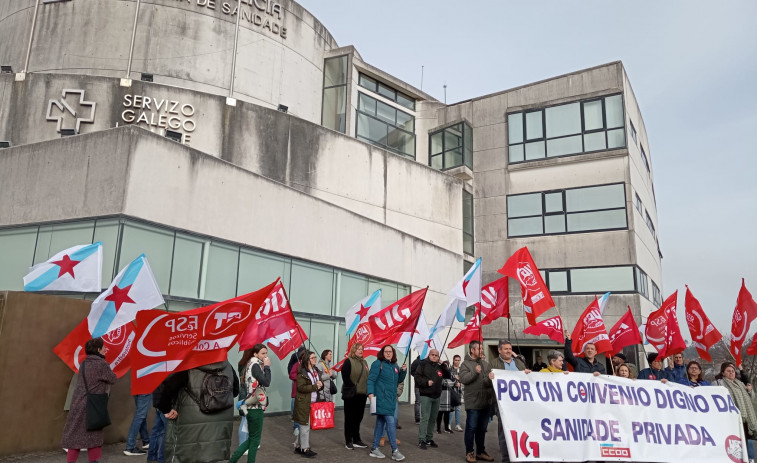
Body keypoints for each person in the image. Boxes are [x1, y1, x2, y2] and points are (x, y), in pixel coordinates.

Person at [158, 360, 239, 462]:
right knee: (211, 457)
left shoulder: (187, 366)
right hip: (219, 426)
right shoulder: (227, 366)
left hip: (189, 424)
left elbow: (168, 389)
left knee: (186, 457)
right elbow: (235, 391)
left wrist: (166, 409)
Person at [61, 338, 117, 463]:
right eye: (104, 347)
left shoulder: (84, 364)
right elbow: (113, 379)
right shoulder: (101, 364)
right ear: (98, 350)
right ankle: (94, 461)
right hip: (93, 405)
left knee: (75, 437)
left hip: (78, 403)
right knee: (94, 436)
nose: (106, 349)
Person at [229, 343, 272, 463]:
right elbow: (266, 382)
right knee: (255, 440)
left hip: (252, 405)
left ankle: (232, 461)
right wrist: (267, 367)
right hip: (255, 406)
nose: (265, 356)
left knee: (252, 438)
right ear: (255, 354)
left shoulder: (250, 364)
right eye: (263, 353)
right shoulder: (255, 365)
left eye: (266, 353)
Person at [367, 345, 407, 461]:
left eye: (390, 351)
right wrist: (370, 393)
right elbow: (371, 379)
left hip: (391, 399)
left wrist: (403, 372)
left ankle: (374, 448)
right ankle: (395, 451)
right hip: (381, 398)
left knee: (380, 422)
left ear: (393, 353)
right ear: (382, 353)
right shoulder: (377, 364)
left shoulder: (394, 365)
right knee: (390, 421)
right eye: (386, 351)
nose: (388, 353)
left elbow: (398, 380)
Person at [459, 340, 495, 463]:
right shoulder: (465, 364)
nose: (481, 351)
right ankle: (469, 452)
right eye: (479, 349)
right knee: (471, 428)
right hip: (473, 402)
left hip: (485, 402)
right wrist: (475, 372)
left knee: (482, 428)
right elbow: (464, 379)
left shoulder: (485, 364)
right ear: (472, 350)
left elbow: (486, 382)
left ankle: (480, 451)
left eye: (482, 349)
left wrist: (490, 379)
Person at [714, 362, 757, 461]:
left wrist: (750, 391)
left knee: (744, 441)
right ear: (723, 373)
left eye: (733, 371)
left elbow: (752, 398)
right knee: (733, 442)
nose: (731, 373)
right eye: (728, 371)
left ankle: (747, 459)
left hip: (745, 419)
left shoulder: (740, 383)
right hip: (731, 419)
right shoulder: (718, 383)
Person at [293, 350, 323, 458]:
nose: (315, 359)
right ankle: (305, 449)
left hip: (313, 402)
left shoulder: (315, 370)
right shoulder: (302, 373)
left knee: (304, 425)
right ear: (307, 360)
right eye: (312, 357)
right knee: (304, 426)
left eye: (315, 357)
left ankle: (297, 446)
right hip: (304, 402)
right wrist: (315, 386)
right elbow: (300, 387)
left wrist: (320, 385)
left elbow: (318, 384)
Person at [341, 342, 370, 450]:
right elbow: (345, 375)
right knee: (349, 418)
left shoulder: (365, 362)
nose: (361, 351)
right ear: (353, 350)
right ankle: (348, 440)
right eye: (358, 349)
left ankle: (356, 439)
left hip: (362, 395)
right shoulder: (349, 361)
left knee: (358, 418)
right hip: (352, 394)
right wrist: (352, 385)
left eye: (362, 349)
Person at [414, 348, 443, 449]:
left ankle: (429, 438)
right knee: (425, 418)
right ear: (429, 355)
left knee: (432, 418)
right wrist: (426, 382)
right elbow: (417, 377)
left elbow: (447, 375)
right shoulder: (423, 364)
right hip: (426, 395)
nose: (434, 356)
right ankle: (422, 439)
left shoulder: (440, 366)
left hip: (436, 396)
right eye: (433, 355)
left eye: (436, 355)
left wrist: (443, 364)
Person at [146, 380, 167, 463]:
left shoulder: (157, 367)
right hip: (165, 403)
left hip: (157, 400)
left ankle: (152, 456)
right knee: (167, 432)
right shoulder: (168, 369)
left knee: (156, 431)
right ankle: (162, 459)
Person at [436, 360, 455, 434]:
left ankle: (444, 428)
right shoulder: (440, 371)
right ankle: (440, 428)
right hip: (442, 393)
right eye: (445, 365)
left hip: (446, 394)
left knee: (445, 412)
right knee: (441, 413)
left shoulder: (449, 372)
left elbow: (453, 381)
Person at [410, 355, 422, 425]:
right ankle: (420, 418)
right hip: (421, 385)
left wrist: (416, 376)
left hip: (418, 384)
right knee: (421, 402)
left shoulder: (415, 361)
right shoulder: (419, 362)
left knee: (418, 402)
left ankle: (417, 419)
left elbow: (411, 371)